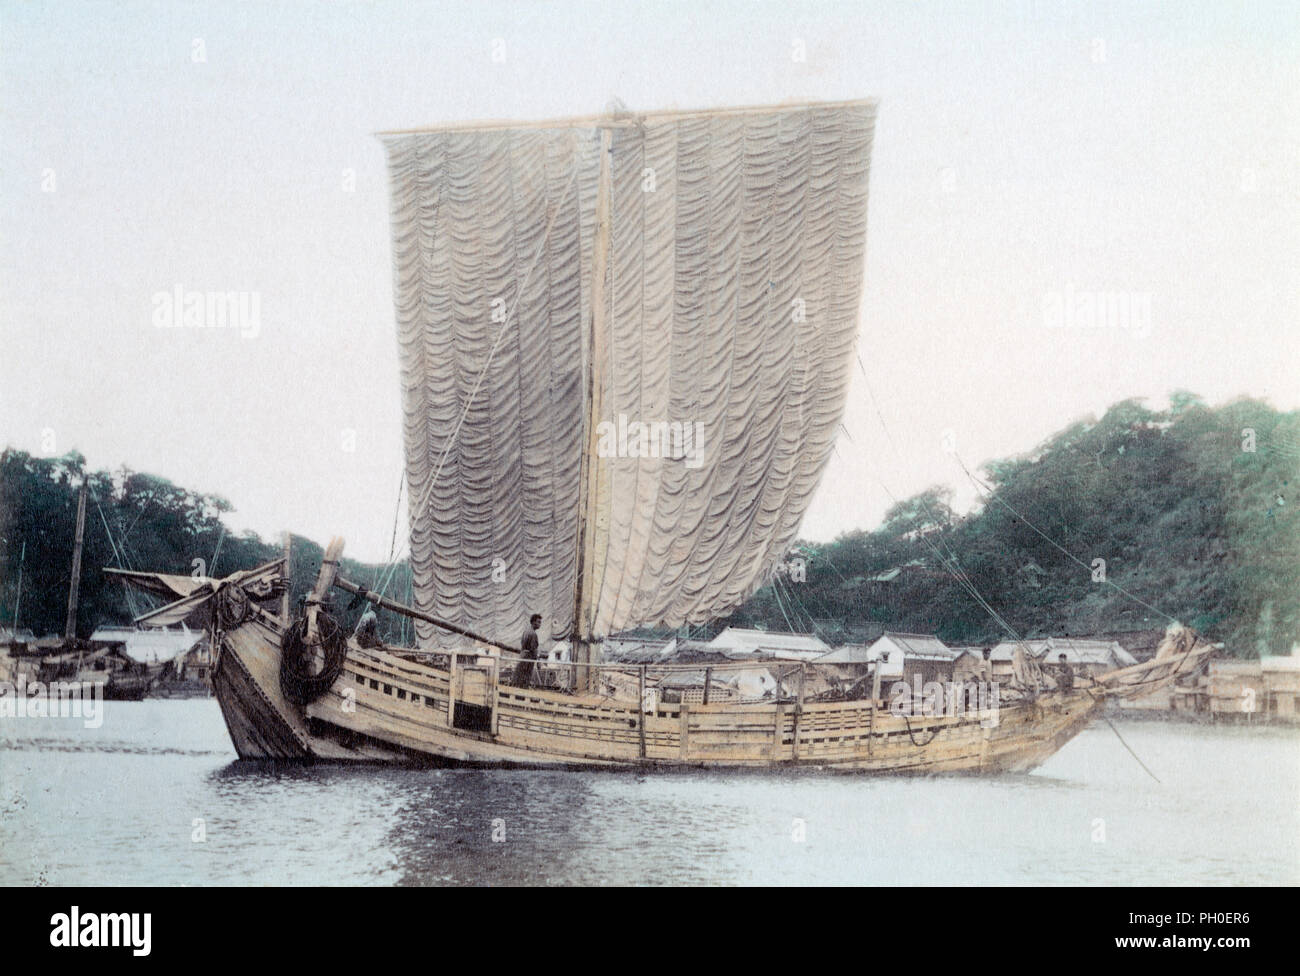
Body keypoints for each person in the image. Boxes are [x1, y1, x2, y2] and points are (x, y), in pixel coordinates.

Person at [515, 613, 542, 687]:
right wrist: (538, 661)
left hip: (522, 657)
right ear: (533, 622)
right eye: (538, 622)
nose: (540, 624)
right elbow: (534, 649)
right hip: (528, 659)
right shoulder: (533, 634)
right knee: (525, 679)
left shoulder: (526, 631)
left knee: (519, 679)